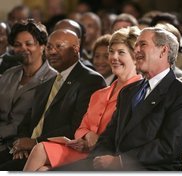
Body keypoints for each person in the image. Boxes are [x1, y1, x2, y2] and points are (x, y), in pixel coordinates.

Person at [51, 27, 182, 171]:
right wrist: (97, 159)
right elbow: (108, 136)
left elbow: (167, 148)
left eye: (143, 44)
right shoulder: (129, 91)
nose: (136, 50)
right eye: (136, 46)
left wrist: (120, 161)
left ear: (163, 50)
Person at [23, 26, 142, 171]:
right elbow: (81, 127)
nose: (113, 57)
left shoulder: (140, 92)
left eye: (121, 52)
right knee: (40, 150)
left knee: (43, 169)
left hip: (107, 155)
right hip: (83, 150)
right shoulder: (100, 93)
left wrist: (96, 141)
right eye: (111, 52)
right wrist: (87, 135)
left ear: (136, 57)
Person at [0, 29, 106, 170]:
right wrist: (22, 143)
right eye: (49, 47)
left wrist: (34, 142)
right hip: (25, 150)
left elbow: (76, 126)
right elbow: (27, 121)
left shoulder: (90, 80)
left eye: (59, 46)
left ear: (75, 49)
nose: (52, 52)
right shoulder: (47, 83)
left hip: (54, 151)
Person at [0, 19, 56, 163]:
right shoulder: (9, 74)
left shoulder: (53, 78)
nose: (23, 49)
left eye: (29, 44)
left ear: (42, 46)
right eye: (18, 45)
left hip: (22, 145)